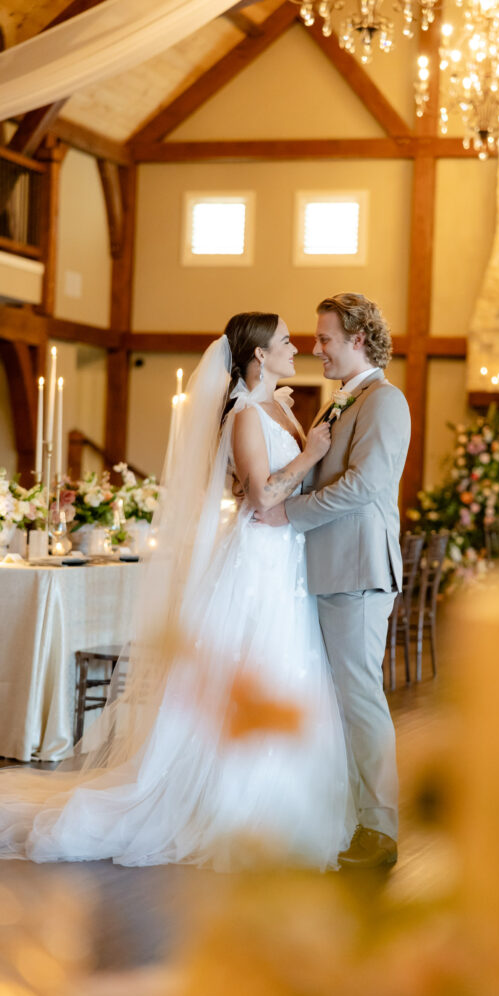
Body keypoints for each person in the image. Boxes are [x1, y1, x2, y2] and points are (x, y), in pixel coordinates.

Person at [0, 313, 353, 871]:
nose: (295, 348)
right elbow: (261, 497)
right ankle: (231, 807)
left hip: (287, 560)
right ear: (259, 355)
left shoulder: (279, 406)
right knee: (255, 666)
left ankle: (281, 804)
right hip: (258, 560)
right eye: (285, 340)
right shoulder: (242, 417)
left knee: (289, 669)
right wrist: (310, 454)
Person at [256, 293, 411, 869]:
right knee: (335, 701)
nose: (315, 348)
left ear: (358, 340)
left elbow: (364, 486)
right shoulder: (336, 403)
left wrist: (287, 515)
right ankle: (345, 816)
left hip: (357, 569)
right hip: (323, 569)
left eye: (324, 339)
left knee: (360, 699)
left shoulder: (384, 401)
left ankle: (380, 832)